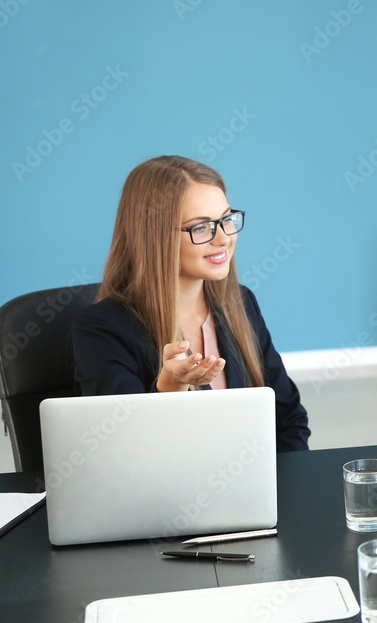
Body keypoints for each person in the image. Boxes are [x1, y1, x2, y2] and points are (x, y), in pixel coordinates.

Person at [72, 155, 310, 452]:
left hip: (255, 490)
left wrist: (285, 491)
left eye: (226, 220)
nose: (223, 238)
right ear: (154, 237)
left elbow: (288, 420)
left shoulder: (240, 303)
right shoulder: (103, 328)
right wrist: (170, 386)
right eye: (201, 227)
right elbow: (126, 451)